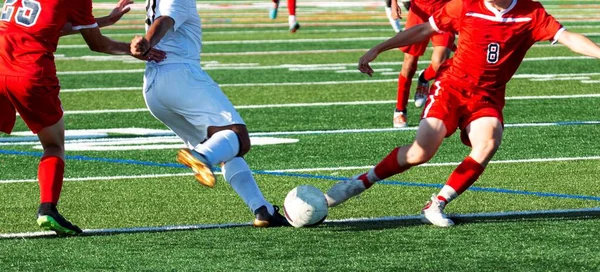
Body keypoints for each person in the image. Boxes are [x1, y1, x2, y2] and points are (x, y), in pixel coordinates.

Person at [325, 0, 600, 227]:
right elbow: (423, 30)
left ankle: (437, 204)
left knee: (489, 141)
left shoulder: (531, 13)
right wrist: (378, 48)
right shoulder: (465, 5)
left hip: (487, 96)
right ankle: (361, 182)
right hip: (450, 88)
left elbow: (568, 37)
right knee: (421, 153)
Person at [0, 0, 164, 236]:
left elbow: (45, 25)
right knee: (54, 145)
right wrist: (132, 50)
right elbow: (97, 44)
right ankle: (47, 208)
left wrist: (105, 20)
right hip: (30, 74)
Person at [130, 0, 290, 227]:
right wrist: (147, 41)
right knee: (238, 137)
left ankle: (261, 209)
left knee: (224, 148)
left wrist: (144, 43)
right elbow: (165, 19)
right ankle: (201, 157)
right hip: (180, 75)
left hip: (154, 88)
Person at [392, 0, 455, 128]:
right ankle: (400, 109)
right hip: (420, 10)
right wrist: (394, 4)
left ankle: (424, 78)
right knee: (409, 64)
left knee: (439, 64)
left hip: (444, 9)